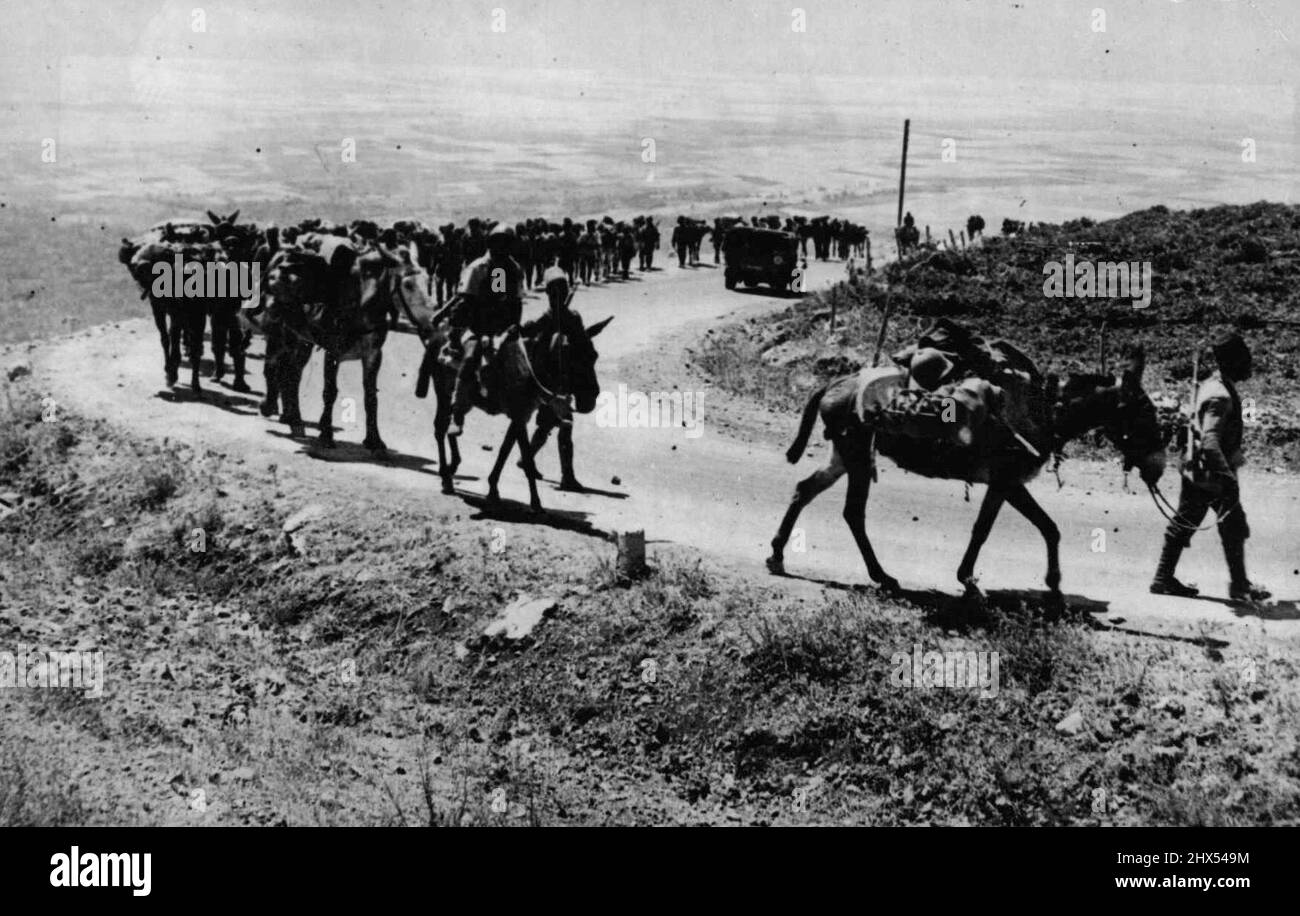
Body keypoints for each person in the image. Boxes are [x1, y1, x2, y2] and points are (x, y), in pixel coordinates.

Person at [1150, 331, 1271, 602]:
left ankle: (1165, 579)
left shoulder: (1213, 384)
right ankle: (1237, 586)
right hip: (1209, 476)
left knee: (1208, 523)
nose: (1249, 364)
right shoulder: (1221, 397)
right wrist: (1226, 479)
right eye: (1245, 360)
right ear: (1232, 363)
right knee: (1223, 524)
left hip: (1198, 470)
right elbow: (1210, 441)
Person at [447, 225, 525, 437]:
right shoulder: (480, 268)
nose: (502, 248)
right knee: (471, 359)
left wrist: (514, 326)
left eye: (506, 243)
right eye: (498, 243)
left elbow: (515, 301)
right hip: (476, 326)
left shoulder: (511, 268)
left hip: (502, 329)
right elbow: (467, 302)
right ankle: (458, 413)